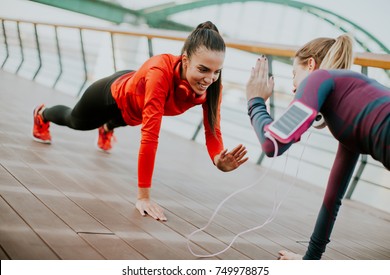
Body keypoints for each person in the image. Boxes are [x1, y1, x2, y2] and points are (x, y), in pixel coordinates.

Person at [32, 21, 249, 221]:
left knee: (128, 119)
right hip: (112, 95)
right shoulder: (160, 72)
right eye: (203, 69)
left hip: (135, 108)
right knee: (76, 122)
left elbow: (213, 130)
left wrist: (217, 157)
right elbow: (150, 136)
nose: (209, 79)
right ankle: (42, 114)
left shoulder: (213, 87)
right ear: (184, 60)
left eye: (216, 72)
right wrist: (143, 196)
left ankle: (107, 128)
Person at [246, 35, 390, 260]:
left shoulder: (319, 78)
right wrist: (308, 262)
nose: (294, 88)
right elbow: (332, 200)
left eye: (295, 75)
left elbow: (272, 143)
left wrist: (255, 101)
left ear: (311, 65)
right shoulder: (351, 105)